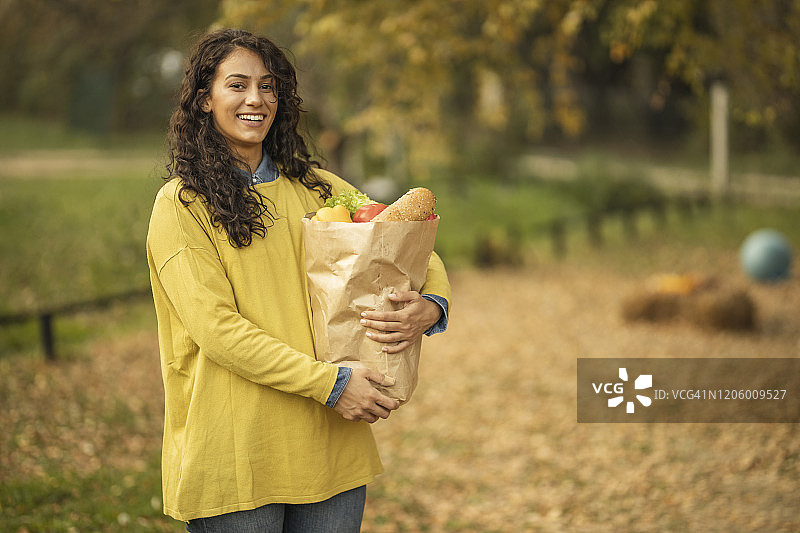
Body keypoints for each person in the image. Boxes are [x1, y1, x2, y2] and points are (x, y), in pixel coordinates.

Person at [145, 28, 451, 531]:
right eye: (237, 85)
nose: (256, 99)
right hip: (241, 453)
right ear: (204, 100)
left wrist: (432, 305)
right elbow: (219, 331)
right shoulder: (183, 206)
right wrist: (331, 385)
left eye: (268, 86)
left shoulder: (316, 186)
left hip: (333, 447)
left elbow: (407, 241)